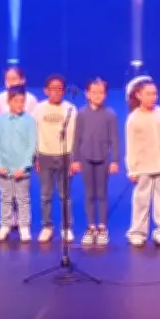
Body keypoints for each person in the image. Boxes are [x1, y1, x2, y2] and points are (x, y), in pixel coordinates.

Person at [125, 78, 160, 247]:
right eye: (148, 94)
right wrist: (132, 169)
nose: (153, 97)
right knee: (141, 200)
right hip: (143, 166)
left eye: (155, 93)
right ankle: (138, 232)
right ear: (139, 95)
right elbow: (131, 145)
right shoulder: (134, 118)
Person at [71, 78, 120, 246]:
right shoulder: (82, 113)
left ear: (105, 94)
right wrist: (75, 159)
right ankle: (91, 226)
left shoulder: (110, 115)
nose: (97, 96)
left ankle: (103, 227)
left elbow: (115, 139)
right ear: (87, 94)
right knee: (89, 194)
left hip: (103, 158)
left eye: (101, 92)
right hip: (85, 157)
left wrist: (115, 160)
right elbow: (76, 138)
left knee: (102, 193)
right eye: (94, 92)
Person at [34, 74, 77, 243]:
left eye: (60, 89)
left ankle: (66, 228)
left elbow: (74, 134)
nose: (57, 92)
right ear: (46, 90)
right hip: (45, 156)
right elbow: (34, 133)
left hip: (65, 156)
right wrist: (35, 157)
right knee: (45, 194)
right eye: (53, 89)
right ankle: (47, 226)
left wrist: (73, 159)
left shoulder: (71, 109)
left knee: (65, 195)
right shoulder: (39, 109)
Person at [0, 86, 36, 243]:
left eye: (22, 101)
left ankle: (24, 226)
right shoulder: (0, 121)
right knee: (5, 197)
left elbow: (31, 145)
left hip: (21, 168)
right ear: (9, 101)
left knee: (23, 198)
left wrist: (24, 167)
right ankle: (5, 225)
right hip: (4, 167)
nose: (19, 104)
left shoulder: (29, 121)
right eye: (16, 101)